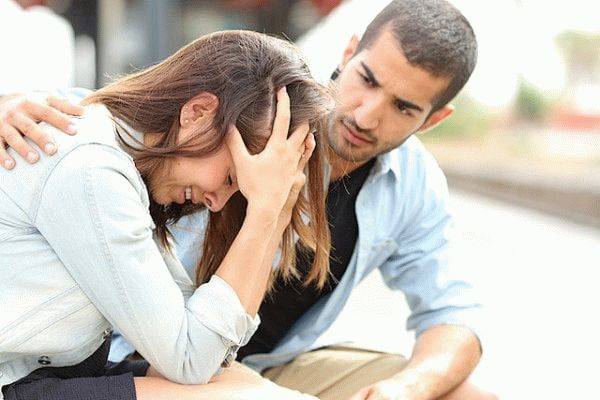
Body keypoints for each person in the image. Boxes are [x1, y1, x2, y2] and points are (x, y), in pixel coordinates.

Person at [0, 1, 498, 399]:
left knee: (465, 395)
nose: (367, 116)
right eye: (367, 80)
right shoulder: (256, 112)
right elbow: (118, 119)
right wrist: (7, 106)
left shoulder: (413, 185)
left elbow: (454, 312)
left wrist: (409, 388)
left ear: (433, 120)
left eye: (403, 107)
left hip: (254, 357)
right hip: (145, 355)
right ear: (348, 53)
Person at [0, 30, 333, 400]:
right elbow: (189, 359)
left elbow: (211, 353)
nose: (217, 203)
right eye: (229, 178)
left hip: (46, 378)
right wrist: (264, 211)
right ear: (198, 112)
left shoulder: (127, 165)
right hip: (15, 382)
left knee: (248, 387)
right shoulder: (91, 169)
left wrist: (278, 209)